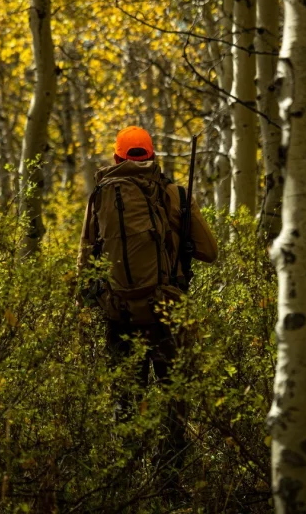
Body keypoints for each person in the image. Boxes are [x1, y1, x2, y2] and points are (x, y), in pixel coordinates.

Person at [77, 125, 218, 462]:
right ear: (153, 156)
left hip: (120, 314)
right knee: (173, 396)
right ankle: (169, 472)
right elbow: (209, 252)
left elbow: (85, 259)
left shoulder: (100, 195)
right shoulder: (173, 194)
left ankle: (127, 473)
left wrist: (92, 303)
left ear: (116, 157)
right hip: (165, 313)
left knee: (126, 399)